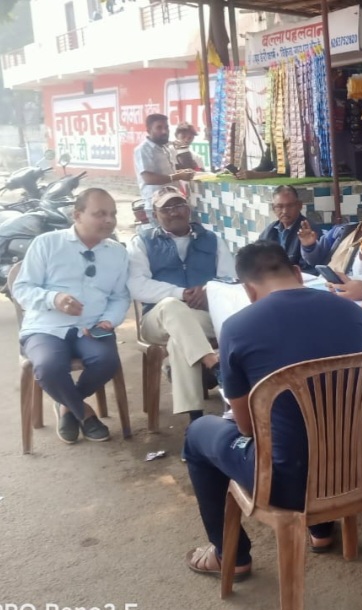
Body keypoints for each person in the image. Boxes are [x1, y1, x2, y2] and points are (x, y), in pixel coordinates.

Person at [182, 241, 362, 578]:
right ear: (297, 273)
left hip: (286, 483)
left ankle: (231, 555)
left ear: (249, 290)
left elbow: (247, 429)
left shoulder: (238, 327)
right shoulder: (352, 312)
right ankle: (321, 530)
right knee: (310, 426)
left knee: (198, 434)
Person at [13, 188, 129, 444]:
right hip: (46, 327)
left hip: (92, 327)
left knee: (106, 361)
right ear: (77, 215)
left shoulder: (118, 252)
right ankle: (84, 413)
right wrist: (53, 299)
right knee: (48, 367)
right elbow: (22, 289)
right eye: (100, 214)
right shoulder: (47, 243)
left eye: (113, 214)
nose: (109, 220)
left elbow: (120, 296)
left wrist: (108, 320)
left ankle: (66, 405)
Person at [127, 186, 235, 423]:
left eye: (178, 205)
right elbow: (136, 285)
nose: (174, 212)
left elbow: (230, 278)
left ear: (188, 209)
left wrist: (208, 291)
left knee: (179, 341)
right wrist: (180, 294)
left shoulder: (212, 240)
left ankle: (195, 420)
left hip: (202, 317)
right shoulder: (142, 242)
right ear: (155, 214)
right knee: (171, 305)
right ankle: (213, 364)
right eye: (166, 208)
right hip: (157, 320)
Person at [301, 195, 362, 275]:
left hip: (349, 282)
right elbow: (315, 260)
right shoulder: (340, 230)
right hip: (323, 279)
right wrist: (309, 246)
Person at [135, 113, 194, 218]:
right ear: (149, 130)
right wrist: (178, 176)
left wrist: (180, 173)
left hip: (173, 201)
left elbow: (167, 174)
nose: (164, 131)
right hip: (157, 206)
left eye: (166, 127)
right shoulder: (143, 149)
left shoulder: (165, 148)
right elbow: (148, 178)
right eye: (159, 128)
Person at [259, 185, 317, 275]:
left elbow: (309, 269)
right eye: (279, 206)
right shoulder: (269, 231)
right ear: (273, 208)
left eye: (290, 206)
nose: (285, 211)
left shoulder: (308, 231)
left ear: (299, 205)